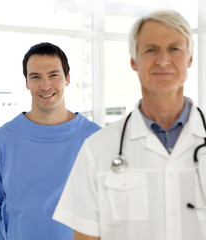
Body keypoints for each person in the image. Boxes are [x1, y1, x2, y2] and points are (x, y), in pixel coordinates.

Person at [52, 10, 206, 240]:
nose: (163, 60)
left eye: (174, 49)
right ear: (134, 61)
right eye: (151, 50)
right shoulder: (98, 149)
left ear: (190, 59)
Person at [0, 42, 101, 240]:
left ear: (67, 79)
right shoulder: (1, 140)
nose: (45, 86)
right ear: (26, 82)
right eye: (36, 77)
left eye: (54, 75)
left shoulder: (96, 140)